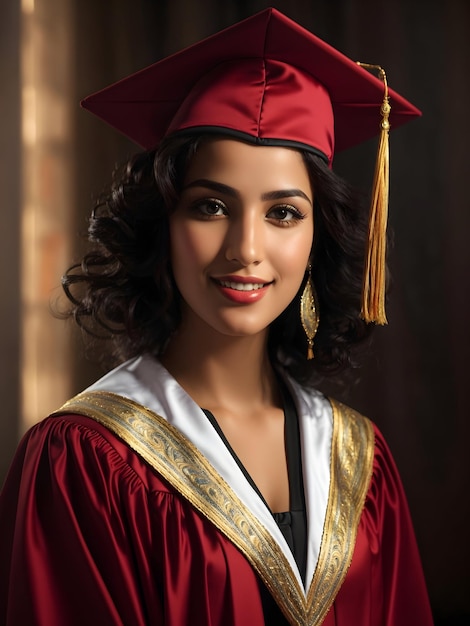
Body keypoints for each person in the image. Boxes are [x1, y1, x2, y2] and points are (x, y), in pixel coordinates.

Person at [0, 8, 433, 626]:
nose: (245, 249)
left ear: (318, 239)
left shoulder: (360, 459)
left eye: (283, 213)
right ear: (164, 227)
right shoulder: (85, 459)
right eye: (210, 206)